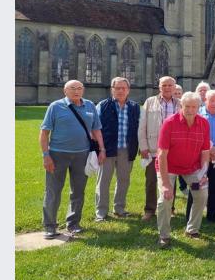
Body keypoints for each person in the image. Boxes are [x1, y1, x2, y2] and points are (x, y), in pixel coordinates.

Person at [39, 80, 106, 239]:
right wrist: (46, 155)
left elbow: (96, 129)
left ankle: (73, 223)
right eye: (72, 88)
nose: (76, 91)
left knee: (78, 191)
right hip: (57, 154)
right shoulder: (55, 106)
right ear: (65, 90)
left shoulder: (90, 105)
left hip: (82, 155)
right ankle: (50, 226)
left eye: (79, 88)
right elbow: (44, 133)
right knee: (53, 191)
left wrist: (102, 149)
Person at [156, 92, 211, 247]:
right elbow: (162, 155)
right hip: (168, 167)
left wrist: (203, 174)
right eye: (187, 106)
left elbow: (205, 152)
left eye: (194, 107)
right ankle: (164, 235)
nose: (190, 110)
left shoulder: (204, 123)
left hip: (191, 168)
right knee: (165, 199)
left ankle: (192, 229)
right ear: (181, 106)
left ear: (199, 108)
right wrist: (166, 184)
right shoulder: (169, 123)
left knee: (201, 193)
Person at [185, 90, 215, 223]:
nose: (214, 103)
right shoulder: (197, 114)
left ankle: (213, 215)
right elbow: (192, 132)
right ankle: (191, 214)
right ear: (205, 100)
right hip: (199, 155)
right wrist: (209, 148)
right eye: (211, 100)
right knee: (196, 183)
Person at [94, 77, 140, 221]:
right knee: (103, 181)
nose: (120, 91)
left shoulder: (134, 107)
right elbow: (94, 129)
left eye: (123, 88)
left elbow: (139, 128)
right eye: (117, 88)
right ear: (112, 89)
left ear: (128, 90)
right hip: (107, 150)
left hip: (126, 150)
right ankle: (101, 212)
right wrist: (100, 149)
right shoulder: (103, 105)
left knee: (124, 180)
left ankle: (119, 208)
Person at [138, 76, 180, 222]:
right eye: (164, 85)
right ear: (159, 87)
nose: (167, 88)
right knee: (151, 180)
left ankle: (171, 208)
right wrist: (143, 146)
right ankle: (150, 210)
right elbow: (142, 125)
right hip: (153, 148)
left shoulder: (180, 104)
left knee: (171, 180)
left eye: (170, 85)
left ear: (174, 88)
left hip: (174, 150)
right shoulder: (150, 102)